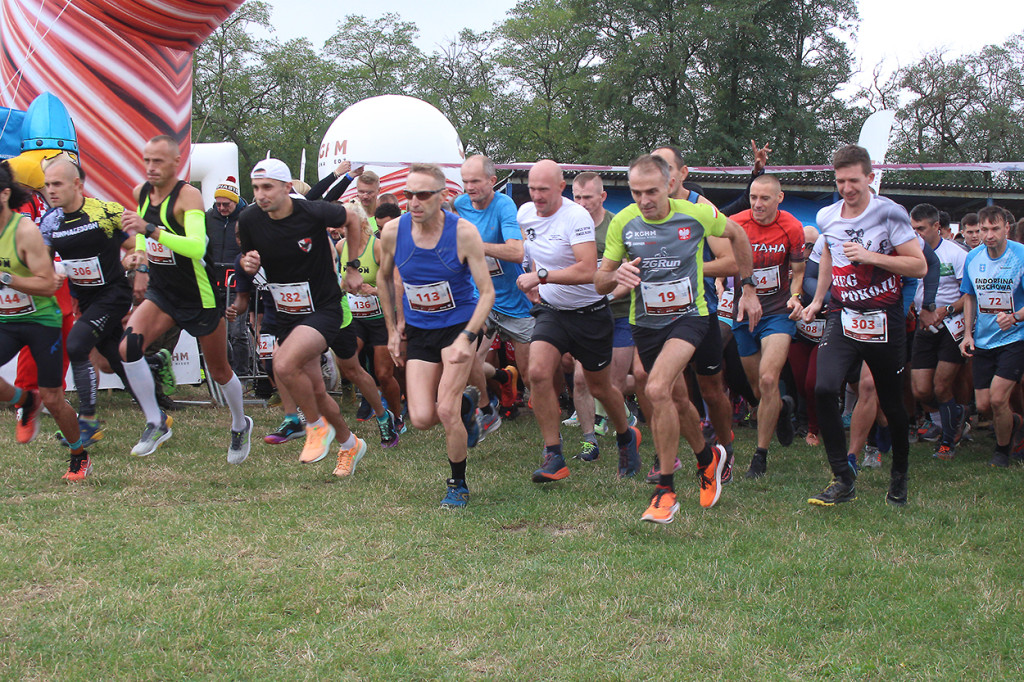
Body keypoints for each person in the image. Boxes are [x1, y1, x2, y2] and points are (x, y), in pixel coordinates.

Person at [596, 153, 760, 523]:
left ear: (670, 184)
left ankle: (665, 490)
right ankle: (708, 459)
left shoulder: (694, 213)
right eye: (636, 192)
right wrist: (617, 274)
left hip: (691, 316)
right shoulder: (623, 223)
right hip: (646, 322)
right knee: (677, 399)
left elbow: (737, 234)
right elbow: (600, 281)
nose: (644, 200)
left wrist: (748, 287)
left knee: (654, 390)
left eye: (651, 191)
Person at [802, 145, 927, 507]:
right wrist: (817, 299)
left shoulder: (889, 212)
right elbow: (828, 253)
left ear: (870, 178)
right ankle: (843, 477)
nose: (847, 188)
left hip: (884, 319)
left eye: (853, 181)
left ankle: (899, 476)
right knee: (824, 388)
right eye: (840, 181)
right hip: (843, 314)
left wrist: (872, 257)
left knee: (891, 402)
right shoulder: (827, 215)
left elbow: (917, 266)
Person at [119, 135, 252, 463]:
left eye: (158, 161)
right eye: (147, 160)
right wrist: (138, 259)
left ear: (176, 164)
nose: (151, 167)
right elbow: (139, 234)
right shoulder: (141, 193)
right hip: (162, 292)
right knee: (127, 348)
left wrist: (150, 231)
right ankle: (156, 421)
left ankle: (240, 423)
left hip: (199, 295)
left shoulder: (188, 197)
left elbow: (196, 247)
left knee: (220, 370)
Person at [238, 159, 373, 474]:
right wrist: (249, 264)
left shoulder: (312, 211)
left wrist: (351, 266)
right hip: (287, 312)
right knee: (315, 390)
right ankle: (349, 444)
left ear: (287, 188)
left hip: (324, 307)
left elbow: (352, 218)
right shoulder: (249, 219)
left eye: (268, 187)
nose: (261, 194)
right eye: (256, 188)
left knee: (283, 363)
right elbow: (248, 257)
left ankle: (315, 426)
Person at [376, 163, 494, 507]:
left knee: (445, 411)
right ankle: (469, 405)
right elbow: (384, 278)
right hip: (420, 328)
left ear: (442, 197)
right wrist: (392, 329)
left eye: (423, 195)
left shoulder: (464, 233)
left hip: (459, 325)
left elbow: (487, 293)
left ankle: (458, 484)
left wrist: (467, 337)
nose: (414, 201)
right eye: (408, 194)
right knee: (422, 417)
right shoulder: (393, 232)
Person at [517, 160, 641, 484]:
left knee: (600, 387)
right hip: (553, 311)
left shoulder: (576, 217)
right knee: (538, 372)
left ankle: (627, 436)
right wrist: (530, 277)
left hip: (591, 314)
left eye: (544, 189)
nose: (537, 196)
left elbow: (588, 270)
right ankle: (553, 455)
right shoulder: (525, 214)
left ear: (560, 188)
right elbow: (530, 252)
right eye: (532, 189)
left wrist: (540, 276)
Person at [0, 160, 87, 480]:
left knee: (54, 396)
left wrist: (7, 278)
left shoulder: (23, 231)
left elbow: (48, 283)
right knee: (37, 396)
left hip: (41, 321)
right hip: (6, 320)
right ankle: (26, 400)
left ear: (4, 194)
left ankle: (79, 454)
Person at [39, 156, 134, 446]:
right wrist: (50, 278)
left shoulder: (104, 212)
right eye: (47, 185)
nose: (51, 190)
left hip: (114, 293)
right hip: (87, 299)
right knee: (117, 358)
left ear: (77, 184)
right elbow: (44, 267)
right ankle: (155, 375)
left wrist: (134, 262)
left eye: (57, 184)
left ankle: (88, 422)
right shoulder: (50, 221)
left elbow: (134, 245)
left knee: (78, 345)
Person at [729, 174, 806, 478]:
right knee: (759, 391)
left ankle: (760, 456)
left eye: (764, 198)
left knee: (769, 378)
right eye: (753, 198)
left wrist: (796, 297)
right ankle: (783, 409)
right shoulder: (736, 223)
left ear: (779, 198)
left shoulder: (792, 227)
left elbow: (798, 272)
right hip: (744, 313)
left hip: (776, 312)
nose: (757, 205)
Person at [455, 154, 531, 426]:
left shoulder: (504, 205)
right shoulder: (460, 204)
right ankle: (487, 409)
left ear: (492, 181)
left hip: (513, 301)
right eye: (465, 181)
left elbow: (516, 250)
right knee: (464, 357)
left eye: (475, 181)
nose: (469, 187)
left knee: (531, 373)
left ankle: (527, 390)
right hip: (480, 298)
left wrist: (474, 244)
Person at [569, 171, 635, 460]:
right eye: (577, 197)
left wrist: (604, 295)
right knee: (582, 379)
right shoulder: (568, 223)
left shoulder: (616, 226)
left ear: (602, 197)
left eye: (588, 197)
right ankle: (589, 441)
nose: (581, 203)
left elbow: (629, 276)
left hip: (619, 312)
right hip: (586, 313)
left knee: (613, 383)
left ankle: (624, 421)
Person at [959, 205, 1024, 468]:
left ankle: (1001, 452)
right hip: (983, 339)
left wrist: (1016, 317)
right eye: (984, 229)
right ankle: (1017, 422)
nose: (989, 235)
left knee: (999, 398)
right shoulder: (973, 257)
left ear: (1007, 228)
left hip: (1014, 337)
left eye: (995, 229)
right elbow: (970, 296)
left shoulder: (1020, 255)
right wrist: (967, 334)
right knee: (985, 405)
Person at [908, 203, 968, 459]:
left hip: (951, 327)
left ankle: (947, 442)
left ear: (937, 227)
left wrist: (946, 311)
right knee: (920, 389)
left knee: (942, 385)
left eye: (921, 228)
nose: (916, 234)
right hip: (923, 324)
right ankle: (949, 417)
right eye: (912, 229)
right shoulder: (908, 252)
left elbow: (969, 295)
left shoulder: (956, 254)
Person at [204, 175, 251, 378]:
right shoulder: (208, 217)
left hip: (237, 282)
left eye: (226, 204)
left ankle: (242, 374)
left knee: (238, 332)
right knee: (216, 332)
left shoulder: (246, 217)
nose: (221, 208)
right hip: (213, 283)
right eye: (218, 204)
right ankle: (224, 373)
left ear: (236, 201)